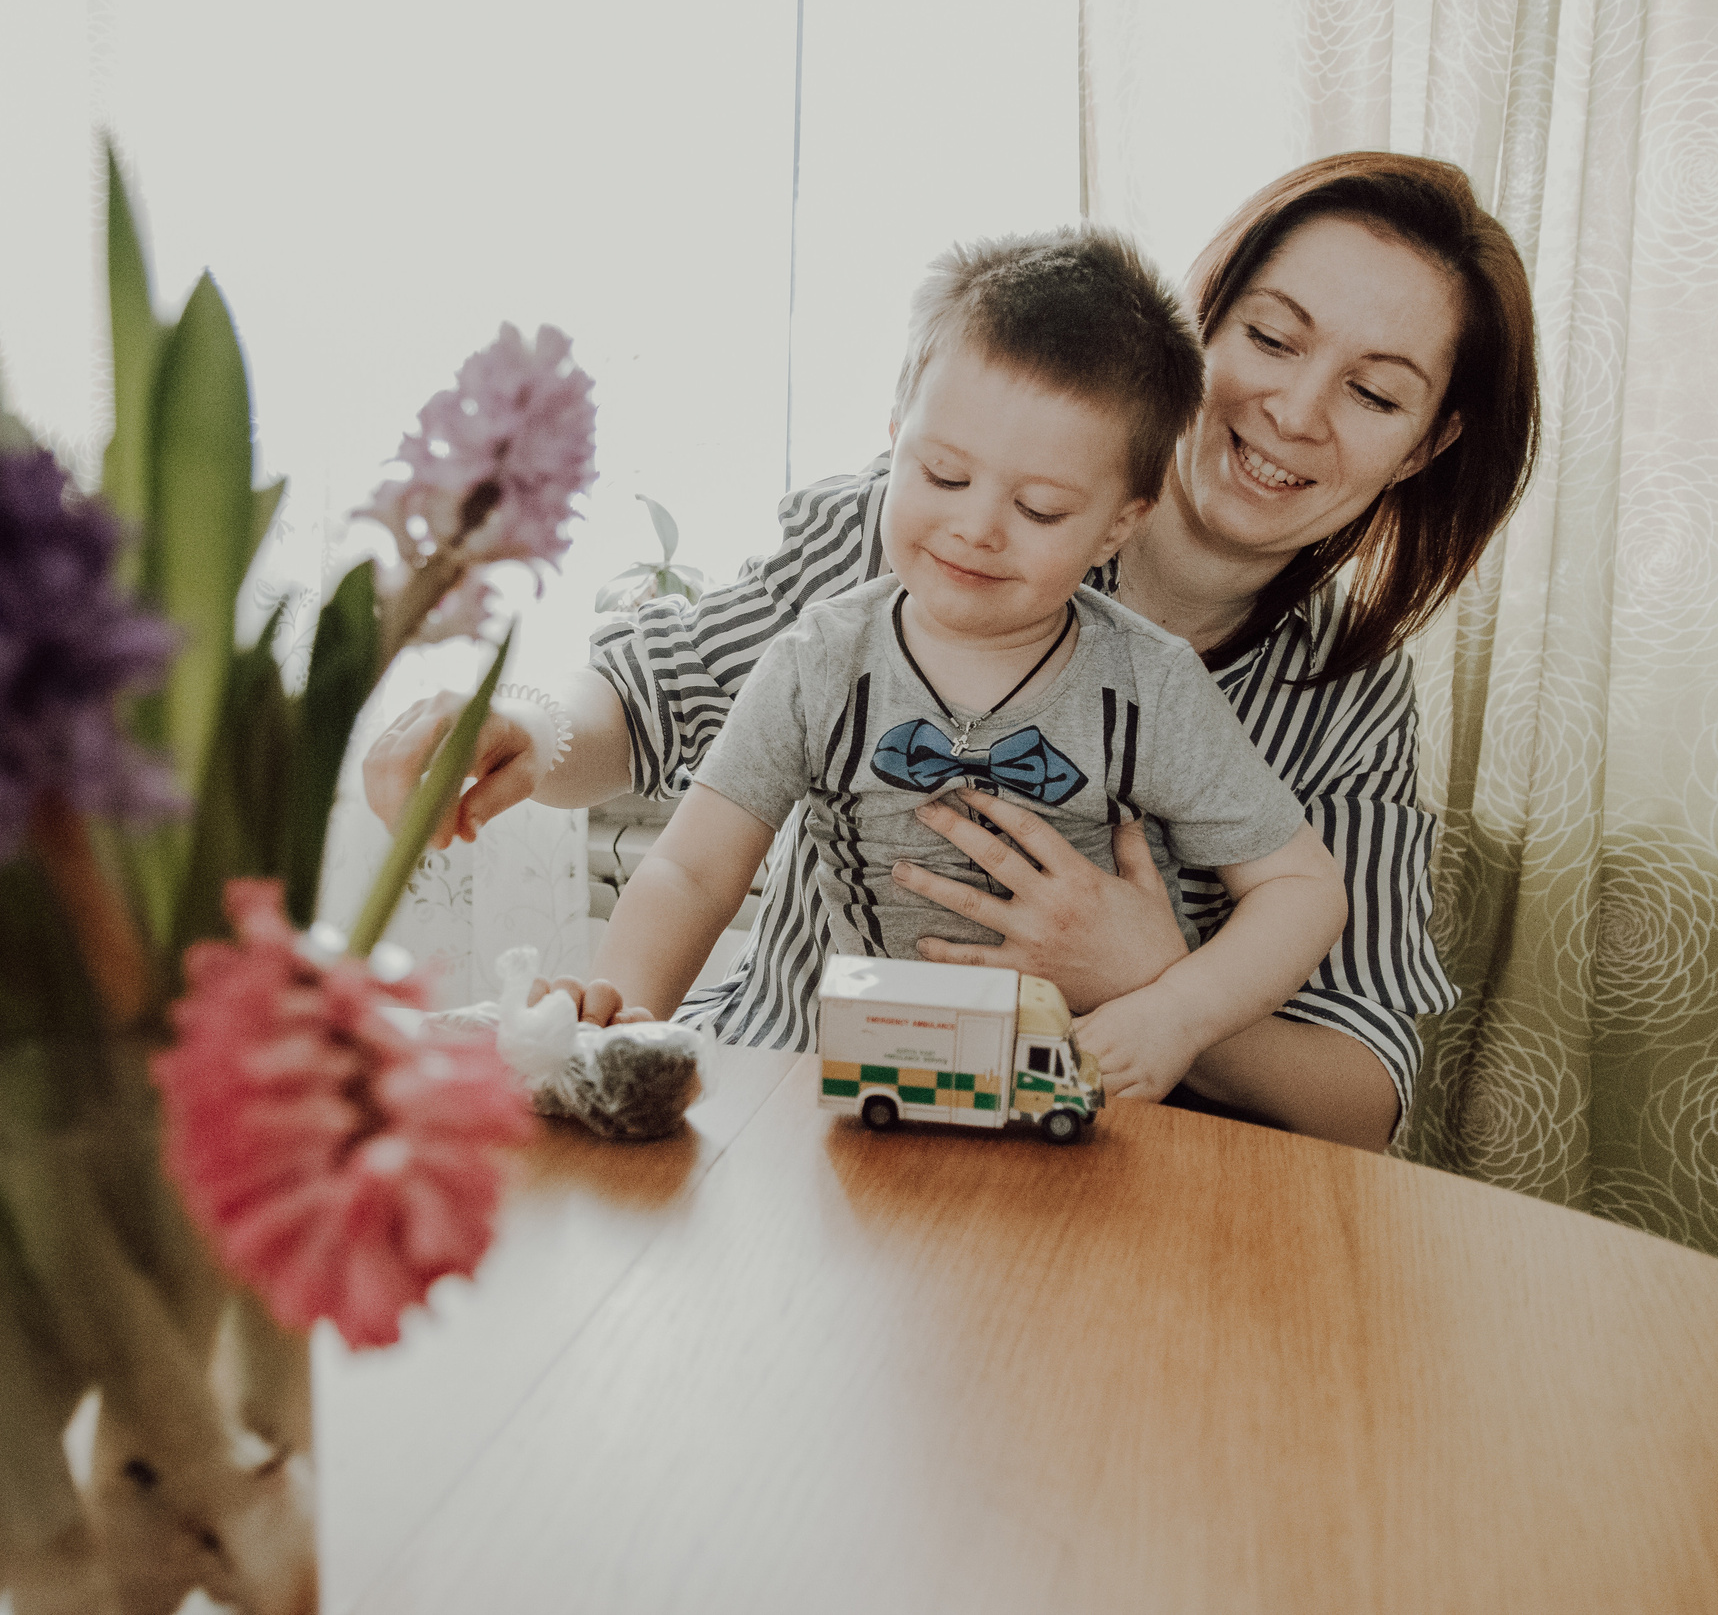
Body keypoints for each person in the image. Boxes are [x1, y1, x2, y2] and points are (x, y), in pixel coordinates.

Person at [365, 153, 1539, 1152]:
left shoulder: (1312, 693)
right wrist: (515, 724)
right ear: (1205, 324)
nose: (1294, 409)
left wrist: (1155, 985)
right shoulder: (912, 533)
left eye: (1373, 394)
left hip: (1073, 1165)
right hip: (787, 1108)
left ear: (1426, 446)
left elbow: (1363, 1093)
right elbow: (650, 710)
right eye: (1272, 338)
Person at [575, 234, 1349, 1104]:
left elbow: (1301, 889)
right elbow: (692, 871)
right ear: (896, 439)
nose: (977, 527)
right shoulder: (818, 662)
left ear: (1117, 527)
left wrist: (1176, 1010)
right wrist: (621, 1022)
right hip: (850, 1087)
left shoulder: (1150, 684)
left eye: (1039, 507)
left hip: (1064, 1096)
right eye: (943, 475)